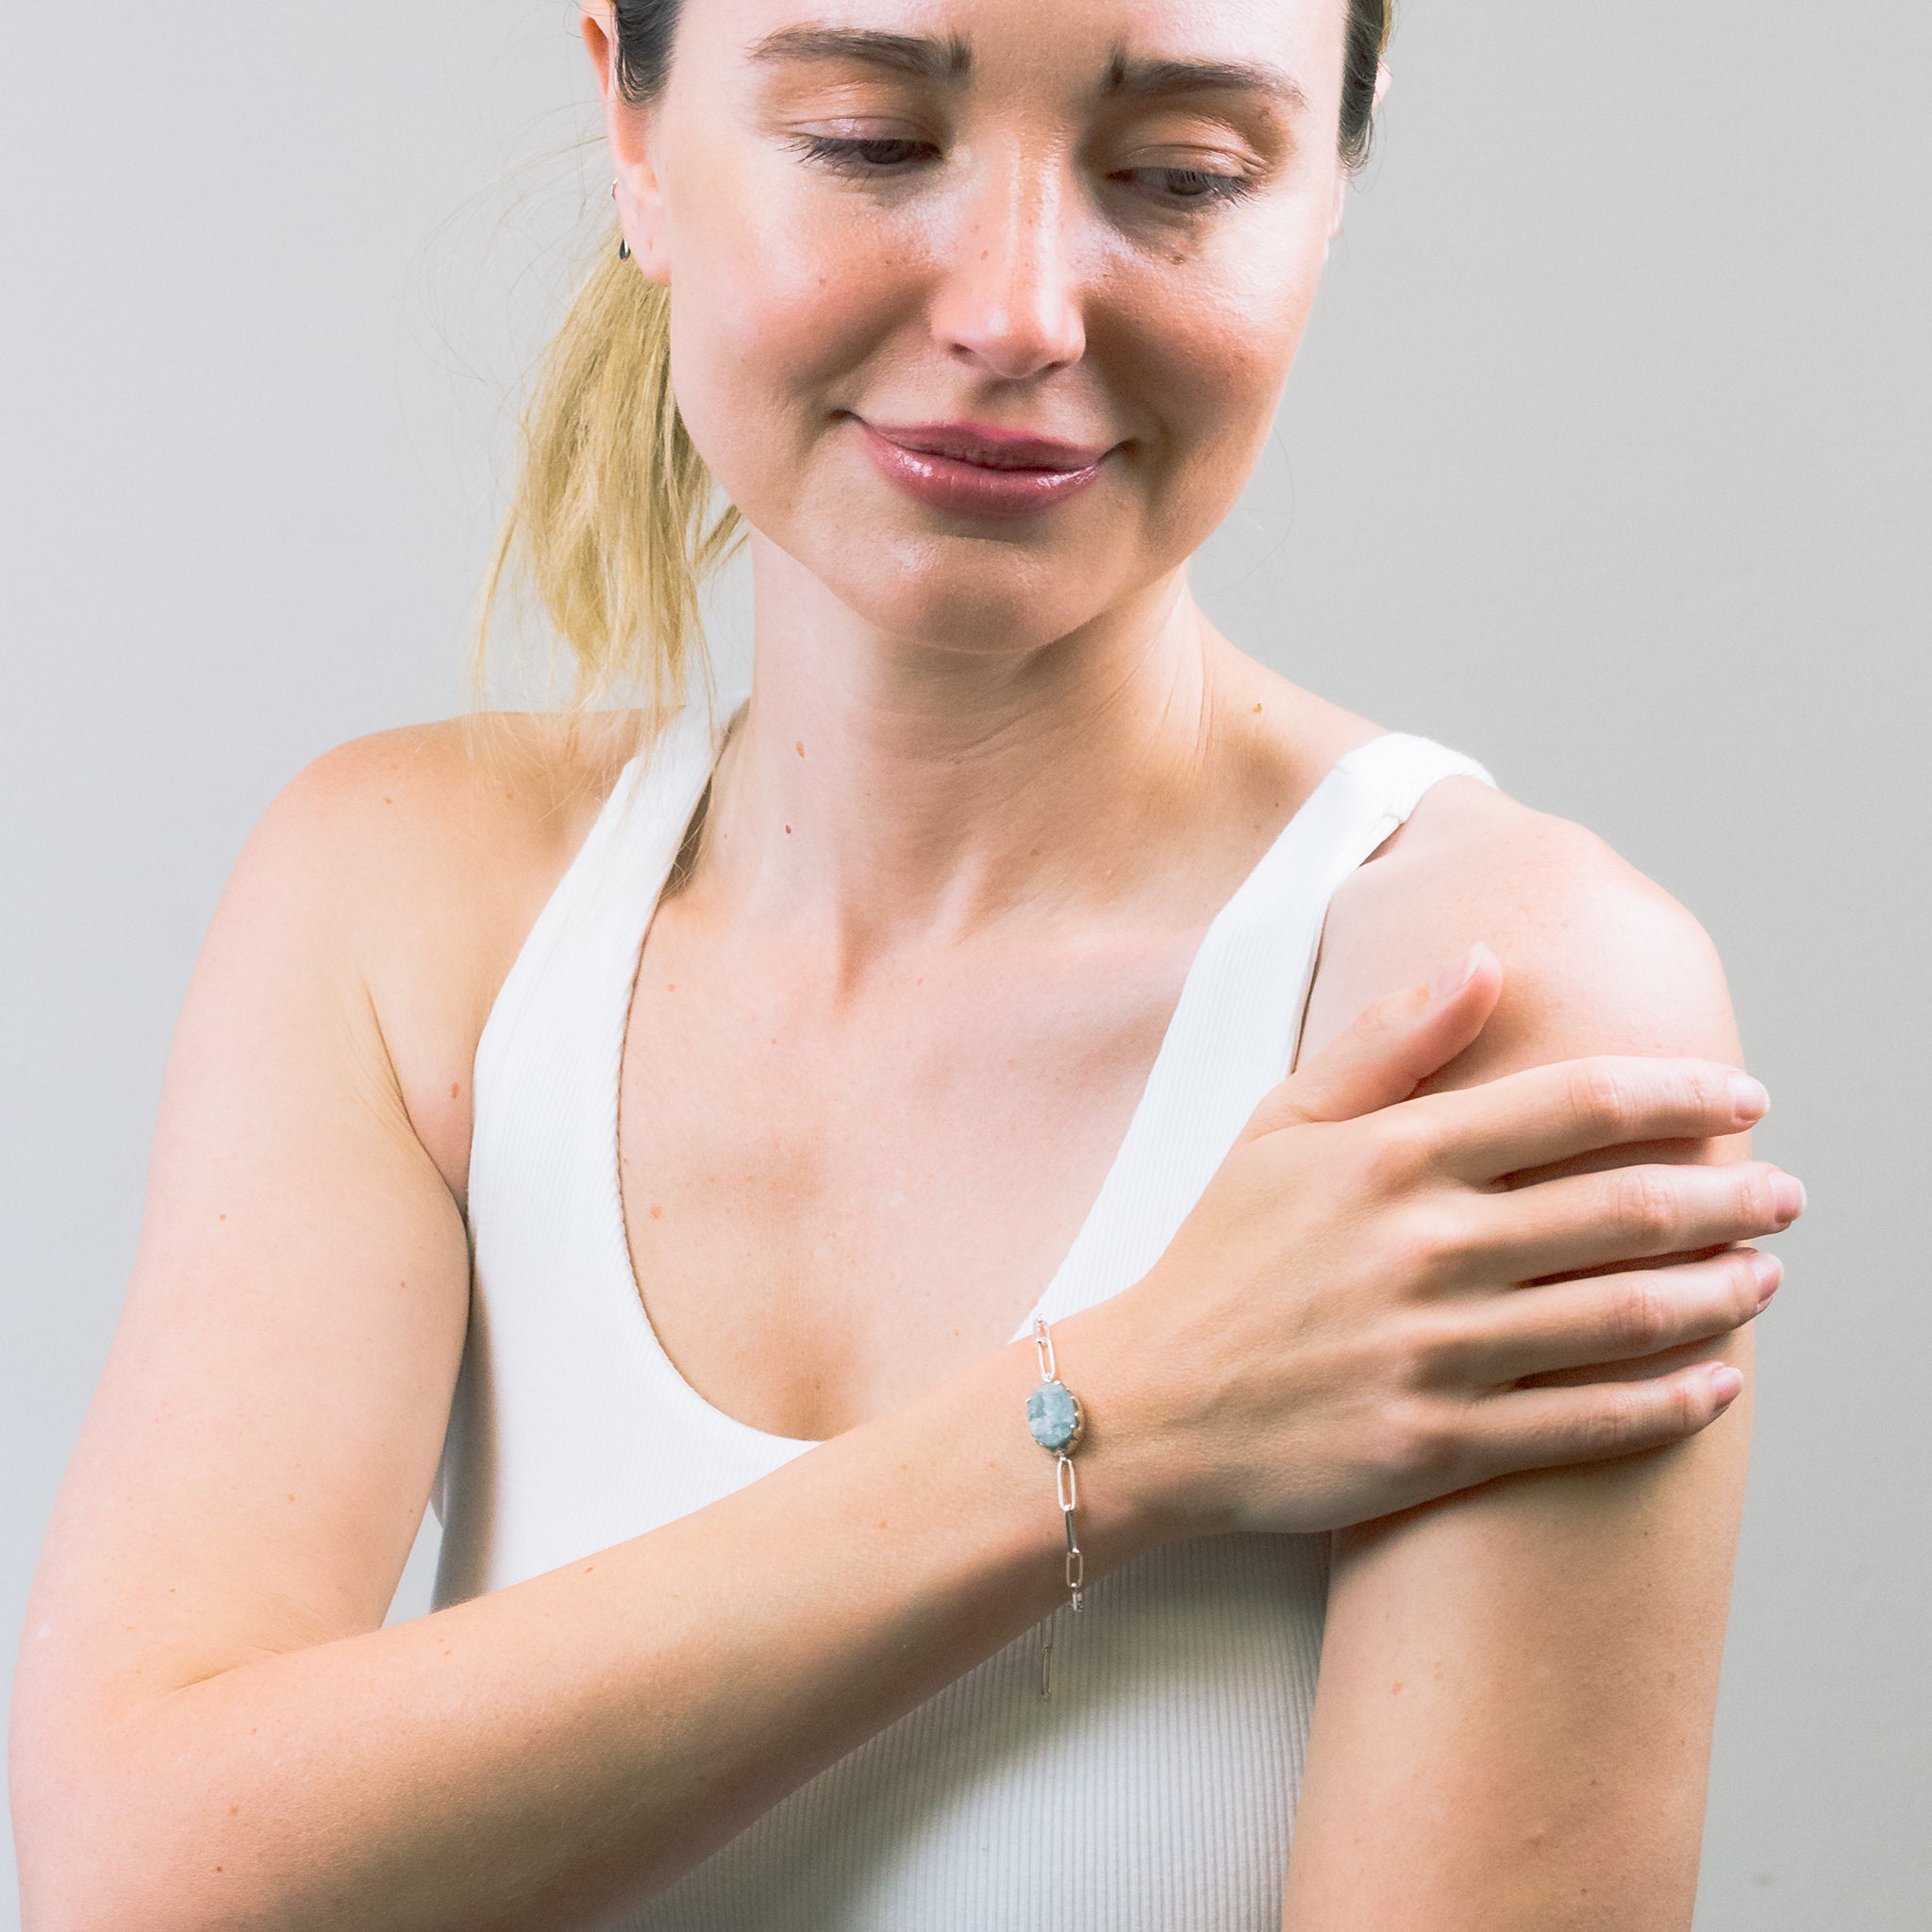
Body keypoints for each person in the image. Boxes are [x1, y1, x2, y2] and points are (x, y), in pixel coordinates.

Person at [9, 0, 1804, 1926]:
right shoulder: (409, 905)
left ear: (1327, 196)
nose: (1020, 310)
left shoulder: (1480, 1012)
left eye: (1182, 175)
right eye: (870, 138)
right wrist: (1120, 1418)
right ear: (635, 133)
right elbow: (144, 1871)